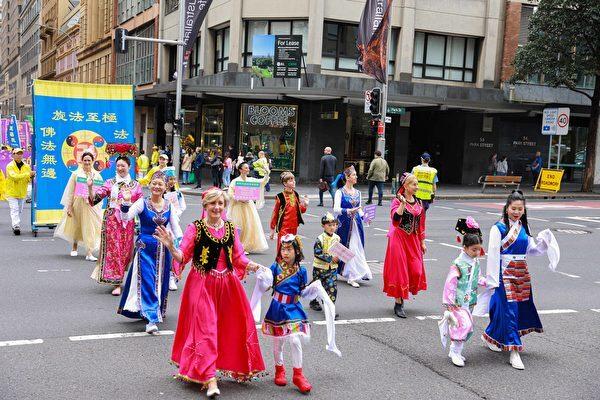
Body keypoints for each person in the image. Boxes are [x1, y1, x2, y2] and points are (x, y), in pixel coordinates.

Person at [153, 188, 266, 398]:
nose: (217, 208)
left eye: (220, 204)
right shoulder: (195, 229)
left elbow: (239, 258)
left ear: (224, 207)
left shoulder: (231, 229)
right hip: (202, 284)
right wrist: (170, 246)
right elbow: (182, 256)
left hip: (227, 285)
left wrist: (256, 267)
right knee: (206, 330)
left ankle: (218, 367)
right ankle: (210, 378)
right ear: (204, 206)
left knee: (231, 326)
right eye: (212, 204)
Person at [475, 190, 560, 370]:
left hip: (521, 273)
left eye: (520, 209)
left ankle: (490, 335)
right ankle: (514, 350)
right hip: (504, 274)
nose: (516, 211)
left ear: (523, 210)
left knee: (513, 310)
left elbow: (533, 250)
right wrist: (492, 281)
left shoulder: (523, 228)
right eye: (513, 208)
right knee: (510, 311)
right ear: (507, 209)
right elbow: (493, 255)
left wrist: (544, 243)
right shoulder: (498, 228)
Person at [117, 171, 182, 334]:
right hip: (145, 248)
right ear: (149, 185)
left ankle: (152, 310)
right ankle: (152, 319)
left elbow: (176, 228)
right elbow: (126, 217)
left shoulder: (169, 206)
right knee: (147, 280)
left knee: (160, 281)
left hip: (163, 249)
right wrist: (125, 202)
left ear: (166, 187)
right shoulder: (141, 203)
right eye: (154, 183)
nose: (157, 186)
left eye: (160, 184)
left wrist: (179, 247)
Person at [90, 152, 143, 296]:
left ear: (129, 167)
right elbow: (94, 200)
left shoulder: (135, 186)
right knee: (115, 251)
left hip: (127, 221)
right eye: (118, 165)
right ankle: (117, 283)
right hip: (112, 221)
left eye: (123, 165)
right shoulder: (109, 183)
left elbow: (140, 205)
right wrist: (90, 188)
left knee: (126, 251)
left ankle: (121, 277)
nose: (120, 168)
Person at [438, 217, 486, 367]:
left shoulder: (475, 262)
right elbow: (450, 283)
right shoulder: (458, 264)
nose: (477, 252)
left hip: (469, 300)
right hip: (458, 302)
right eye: (474, 249)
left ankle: (456, 350)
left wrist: (488, 283)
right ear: (465, 247)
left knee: (466, 326)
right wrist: (449, 302)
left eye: (478, 249)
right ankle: (455, 352)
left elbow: (478, 278)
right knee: (464, 325)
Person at [382, 172, 427, 318]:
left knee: (416, 271)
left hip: (412, 240)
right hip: (399, 238)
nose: (417, 187)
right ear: (406, 186)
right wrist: (402, 203)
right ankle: (398, 303)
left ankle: (402, 296)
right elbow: (395, 220)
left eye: (417, 184)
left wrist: (422, 241)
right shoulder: (397, 201)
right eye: (414, 184)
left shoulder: (419, 202)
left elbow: (421, 225)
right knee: (400, 271)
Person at [54, 150, 103, 261]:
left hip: (91, 205)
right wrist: (69, 207)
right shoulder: (76, 174)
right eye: (85, 160)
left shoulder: (97, 176)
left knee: (90, 227)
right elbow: (70, 192)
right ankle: (74, 247)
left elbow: (100, 192)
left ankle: (89, 252)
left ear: (93, 161)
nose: (87, 162)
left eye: (89, 160)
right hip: (78, 204)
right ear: (81, 161)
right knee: (77, 225)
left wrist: (98, 204)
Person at [334, 165, 372, 288]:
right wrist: (348, 211)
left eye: (355, 175)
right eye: (354, 175)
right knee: (346, 248)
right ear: (347, 177)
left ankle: (354, 274)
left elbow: (360, 210)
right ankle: (349, 274)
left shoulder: (358, 193)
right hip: (344, 225)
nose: (356, 177)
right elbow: (336, 209)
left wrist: (365, 217)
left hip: (356, 225)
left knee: (356, 248)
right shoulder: (340, 192)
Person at [227, 162, 269, 253]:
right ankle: (238, 246)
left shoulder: (251, 180)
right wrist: (238, 199)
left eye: (248, 168)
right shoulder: (235, 181)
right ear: (240, 170)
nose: (248, 169)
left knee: (249, 226)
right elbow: (230, 194)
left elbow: (262, 182)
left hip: (248, 206)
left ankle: (244, 246)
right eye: (245, 168)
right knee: (238, 226)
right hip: (238, 206)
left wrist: (267, 173)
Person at [269, 171, 308, 254]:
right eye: (290, 180)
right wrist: (272, 229)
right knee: (282, 248)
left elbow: (300, 210)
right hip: (284, 227)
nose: (293, 181)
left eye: (293, 179)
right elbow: (275, 213)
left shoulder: (295, 194)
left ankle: (290, 266)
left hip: (294, 226)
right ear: (285, 183)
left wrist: (305, 204)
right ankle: (280, 265)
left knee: (291, 248)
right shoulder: (280, 196)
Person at [309, 213, 340, 313]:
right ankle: (313, 301)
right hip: (319, 269)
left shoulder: (337, 238)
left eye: (334, 225)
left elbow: (339, 250)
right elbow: (317, 253)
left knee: (332, 288)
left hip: (332, 269)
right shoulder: (320, 239)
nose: (332, 227)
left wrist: (340, 257)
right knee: (317, 287)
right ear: (323, 226)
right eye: (329, 225)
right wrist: (330, 258)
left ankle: (330, 310)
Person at [5, 148, 35, 235]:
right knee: (14, 209)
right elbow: (14, 177)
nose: (19, 155)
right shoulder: (10, 166)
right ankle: (16, 226)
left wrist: (31, 176)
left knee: (19, 210)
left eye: (20, 154)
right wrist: (27, 175)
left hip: (22, 192)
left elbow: (29, 179)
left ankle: (15, 223)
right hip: (12, 192)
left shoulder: (26, 166)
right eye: (17, 154)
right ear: (13, 155)